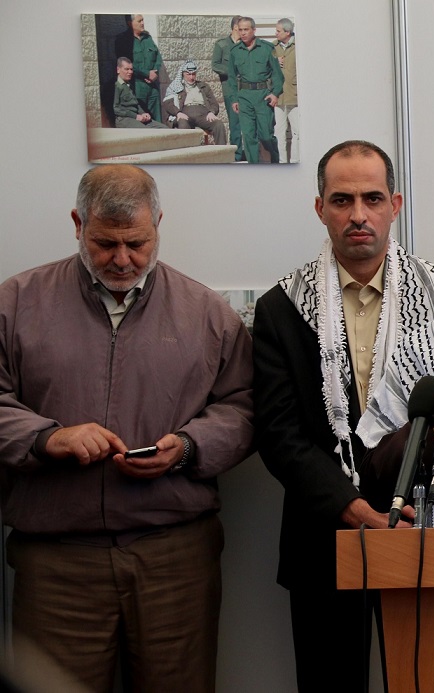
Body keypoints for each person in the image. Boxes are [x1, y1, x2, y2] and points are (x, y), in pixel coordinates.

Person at [0, 165, 254, 692]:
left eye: (137, 243)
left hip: (174, 557)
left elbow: (243, 409)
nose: (122, 259)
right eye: (104, 244)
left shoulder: (208, 314)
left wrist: (189, 447)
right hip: (56, 562)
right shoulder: (15, 303)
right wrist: (46, 438)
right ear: (78, 224)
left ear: (157, 225)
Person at [253, 140, 434, 691]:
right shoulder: (281, 307)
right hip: (324, 537)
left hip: (427, 528)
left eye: (372, 198)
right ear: (320, 208)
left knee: (432, 681)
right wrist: (356, 512)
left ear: (395, 205)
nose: (359, 215)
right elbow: (280, 437)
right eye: (342, 200)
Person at [229, 17, 283, 164]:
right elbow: (231, 78)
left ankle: (275, 164)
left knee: (266, 135)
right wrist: (234, 99)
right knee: (248, 136)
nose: (243, 33)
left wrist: (275, 93)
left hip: (263, 96)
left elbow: (277, 75)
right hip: (244, 97)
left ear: (254, 30)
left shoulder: (267, 49)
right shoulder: (235, 51)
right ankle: (254, 169)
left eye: (246, 29)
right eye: (240, 30)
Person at [162, 60, 227, 145]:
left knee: (218, 124)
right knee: (182, 123)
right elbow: (168, 103)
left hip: (203, 115)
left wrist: (212, 112)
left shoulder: (203, 86)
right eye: (188, 74)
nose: (191, 77)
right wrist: (178, 113)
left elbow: (214, 103)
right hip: (185, 114)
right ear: (183, 74)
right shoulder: (176, 87)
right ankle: (187, 152)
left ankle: (221, 151)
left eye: (193, 74)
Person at [114, 14, 163, 122]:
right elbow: (125, 64)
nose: (143, 23)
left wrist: (155, 72)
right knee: (142, 119)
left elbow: (158, 57)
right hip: (136, 86)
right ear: (130, 23)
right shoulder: (122, 40)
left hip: (152, 86)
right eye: (139, 21)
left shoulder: (147, 38)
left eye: (143, 20)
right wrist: (147, 73)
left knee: (157, 120)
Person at [212, 16, 245, 161]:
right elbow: (215, 65)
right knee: (235, 124)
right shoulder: (222, 44)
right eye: (241, 27)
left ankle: (250, 153)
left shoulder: (246, 44)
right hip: (230, 90)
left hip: (247, 89)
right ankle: (237, 155)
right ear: (235, 27)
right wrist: (232, 71)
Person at [112, 57, 165, 129]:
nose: (130, 72)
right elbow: (116, 109)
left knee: (163, 129)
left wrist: (143, 113)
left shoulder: (129, 85)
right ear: (118, 70)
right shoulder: (115, 86)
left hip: (136, 117)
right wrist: (135, 116)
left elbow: (136, 104)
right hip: (124, 119)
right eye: (126, 69)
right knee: (146, 131)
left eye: (131, 69)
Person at [273, 18, 299, 163]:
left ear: (287, 32)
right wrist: (275, 62)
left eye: (278, 31)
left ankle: (295, 161)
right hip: (278, 97)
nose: (275, 33)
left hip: (295, 97)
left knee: (298, 132)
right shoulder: (273, 47)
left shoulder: (299, 46)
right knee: (279, 133)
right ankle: (282, 163)